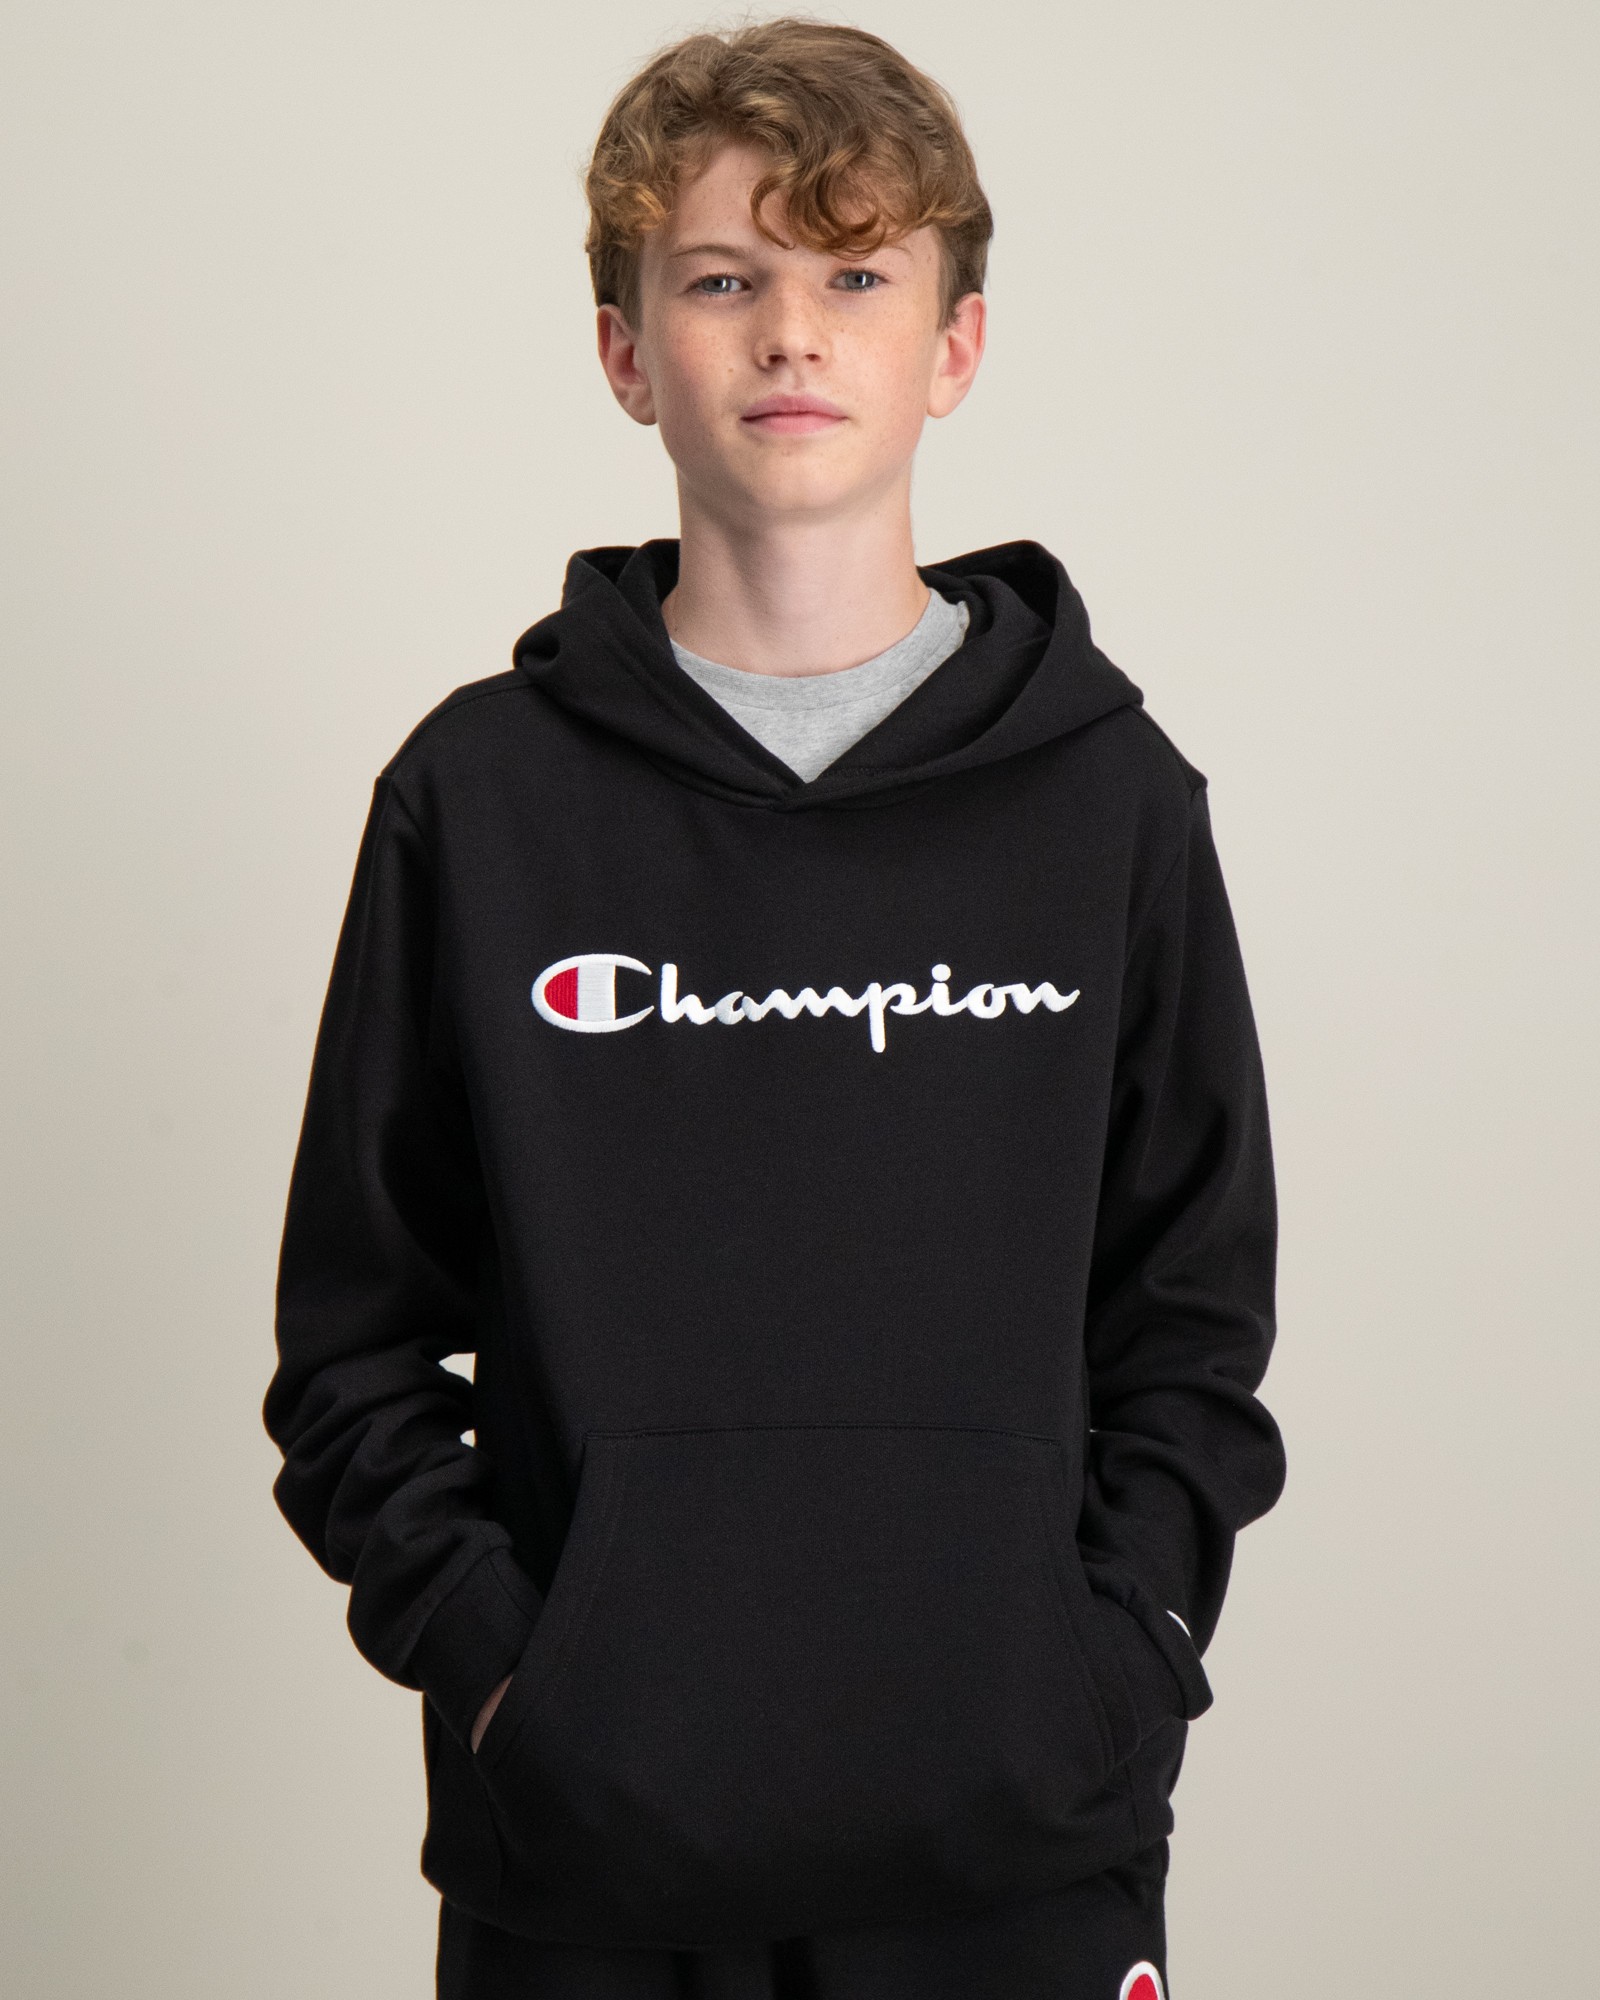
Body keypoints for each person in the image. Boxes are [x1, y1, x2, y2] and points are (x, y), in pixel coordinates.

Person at [262, 18, 1286, 2000]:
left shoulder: (1109, 803)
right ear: (626, 351)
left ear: (954, 348)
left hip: (1020, 1847)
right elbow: (352, 1344)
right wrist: (511, 1681)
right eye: (723, 281)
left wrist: (1118, 1660)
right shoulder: (480, 800)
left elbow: (1191, 1318)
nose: (792, 335)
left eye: (857, 275)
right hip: (588, 1853)